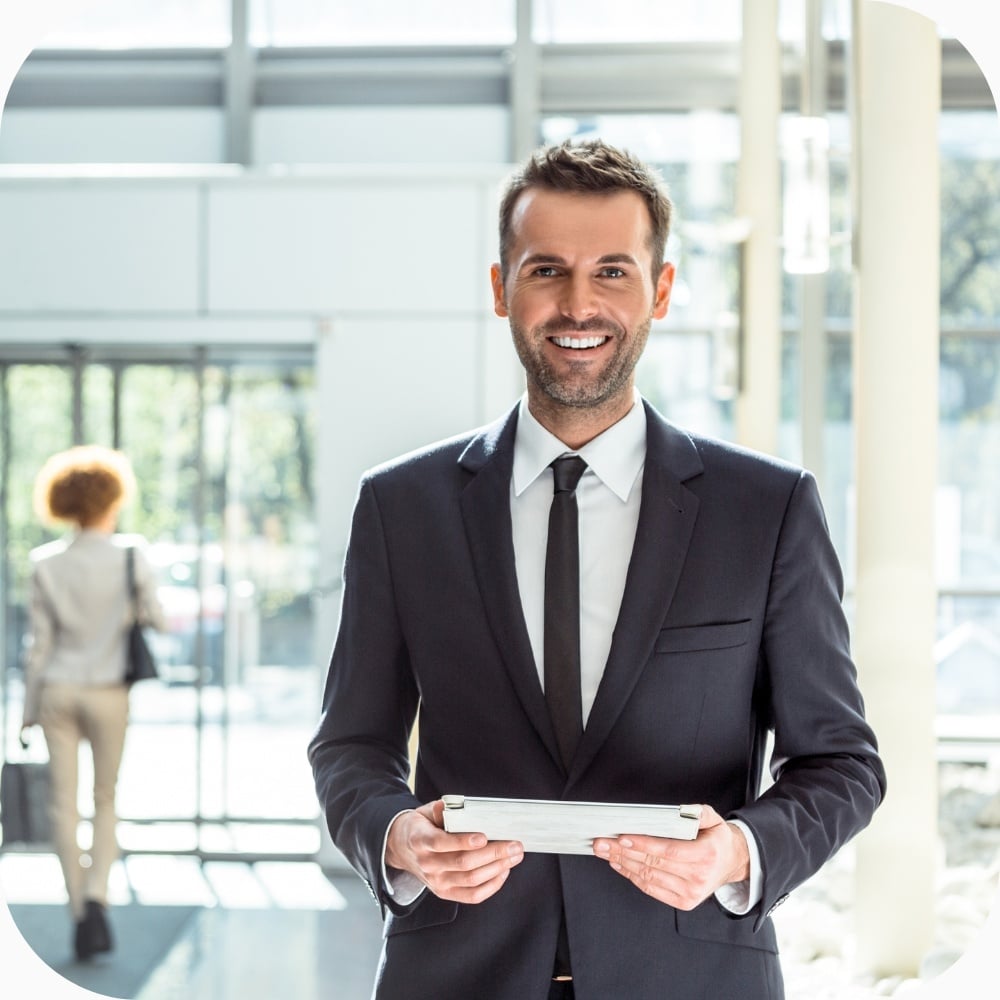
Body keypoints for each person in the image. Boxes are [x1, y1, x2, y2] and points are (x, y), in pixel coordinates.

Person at [308, 139, 886, 1000]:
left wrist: (740, 851)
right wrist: (394, 835)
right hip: (458, 973)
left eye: (613, 271)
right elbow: (352, 743)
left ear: (659, 289)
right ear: (502, 287)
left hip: (690, 975)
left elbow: (842, 762)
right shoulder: (403, 507)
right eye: (547, 270)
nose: (578, 304)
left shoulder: (766, 510)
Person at [19, 445, 165, 961]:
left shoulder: (46, 563)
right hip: (108, 691)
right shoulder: (131, 555)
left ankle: (78, 909)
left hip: (58, 689)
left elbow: (36, 648)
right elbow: (160, 619)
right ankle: (99, 895)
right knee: (106, 797)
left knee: (64, 805)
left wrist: (26, 712)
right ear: (112, 498)